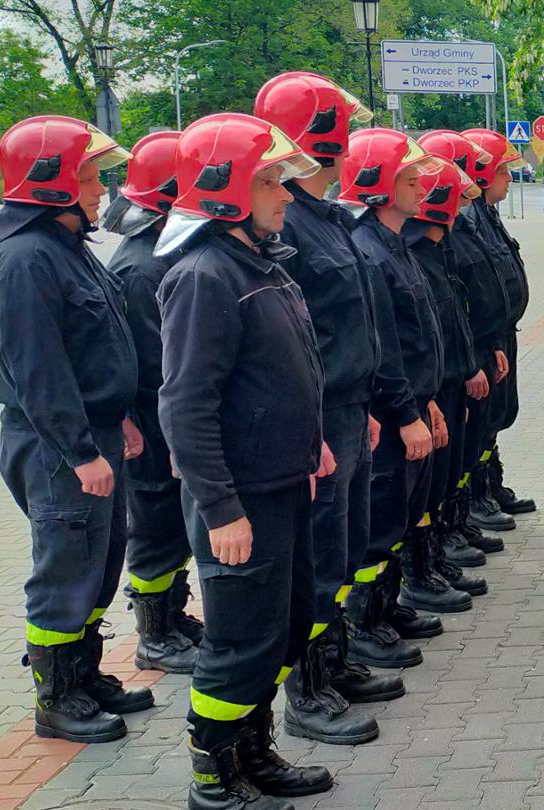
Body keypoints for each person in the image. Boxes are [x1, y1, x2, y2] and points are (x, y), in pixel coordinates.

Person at [154, 112, 334, 809]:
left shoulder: (260, 264)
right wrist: (221, 508)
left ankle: (254, 751)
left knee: (281, 628)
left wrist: (311, 440)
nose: (285, 195)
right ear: (225, 187)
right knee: (238, 641)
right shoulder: (205, 275)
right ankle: (214, 773)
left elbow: (288, 372)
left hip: (281, 482)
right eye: (269, 182)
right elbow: (185, 404)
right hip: (241, 498)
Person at [0, 115, 151, 743]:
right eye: (89, 177)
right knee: (64, 570)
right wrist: (80, 451)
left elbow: (95, 346)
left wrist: (119, 416)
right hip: (58, 446)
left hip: (93, 431)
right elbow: (40, 372)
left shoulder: (66, 246)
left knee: (100, 562)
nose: (101, 190)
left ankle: (83, 675)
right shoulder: (27, 260)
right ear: (49, 181)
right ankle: (55, 699)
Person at [254, 70, 403, 746]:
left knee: (340, 552)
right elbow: (293, 344)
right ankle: (305, 693)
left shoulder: (325, 219)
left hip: (348, 407)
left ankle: (332, 662)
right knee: (315, 558)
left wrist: (364, 399)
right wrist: (313, 425)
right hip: (318, 419)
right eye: (340, 124)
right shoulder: (289, 223)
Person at [339, 129, 454, 667]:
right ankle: (363, 623)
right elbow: (383, 348)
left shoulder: (392, 246)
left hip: (411, 405)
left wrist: (425, 400)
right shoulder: (370, 252)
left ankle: (386, 607)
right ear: (378, 186)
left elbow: (415, 337)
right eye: (409, 180)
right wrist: (406, 411)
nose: (420, 189)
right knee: (379, 521)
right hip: (388, 417)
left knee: (399, 516)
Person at [105, 130, 205, 675]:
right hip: (151, 427)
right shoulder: (142, 268)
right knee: (154, 531)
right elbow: (156, 365)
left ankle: (172, 615)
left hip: (162, 423)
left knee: (172, 527)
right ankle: (154, 634)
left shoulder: (163, 253)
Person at [416, 130, 512, 568]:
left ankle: (455, 524)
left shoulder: (461, 226)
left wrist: (490, 344)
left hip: (471, 355)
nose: (506, 178)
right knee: (430, 475)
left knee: (462, 452)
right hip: (444, 374)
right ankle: (431, 552)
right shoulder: (419, 243)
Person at [400, 155, 490, 602]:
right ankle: (416, 575)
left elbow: (452, 318)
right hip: (425, 390)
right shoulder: (411, 253)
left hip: (443, 380)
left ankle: (433, 556)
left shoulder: (434, 250)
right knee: (417, 490)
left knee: (440, 477)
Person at [460, 128, 537, 526]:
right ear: (482, 173)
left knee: (496, 417)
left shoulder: (485, 214)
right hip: (483, 341)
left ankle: (490, 486)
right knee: (480, 422)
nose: (510, 178)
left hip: (499, 336)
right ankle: (474, 499)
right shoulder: (468, 219)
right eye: (504, 171)